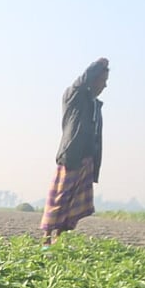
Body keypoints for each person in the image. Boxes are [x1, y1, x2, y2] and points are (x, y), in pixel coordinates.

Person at [40, 58, 109, 245]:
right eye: (102, 80)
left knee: (73, 204)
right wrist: (97, 65)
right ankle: (46, 241)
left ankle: (59, 241)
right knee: (59, 199)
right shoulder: (75, 96)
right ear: (93, 80)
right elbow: (81, 81)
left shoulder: (96, 106)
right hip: (71, 157)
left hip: (87, 160)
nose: (105, 85)